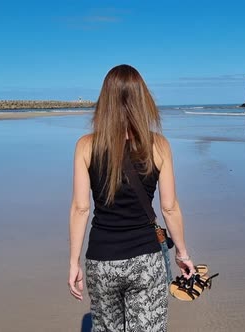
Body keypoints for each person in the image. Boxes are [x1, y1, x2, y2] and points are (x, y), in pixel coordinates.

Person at [68, 64, 195, 332]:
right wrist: (183, 254)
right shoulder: (158, 145)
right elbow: (169, 207)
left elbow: (81, 209)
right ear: (142, 101)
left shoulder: (86, 146)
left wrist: (73, 262)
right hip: (146, 259)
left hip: (102, 259)